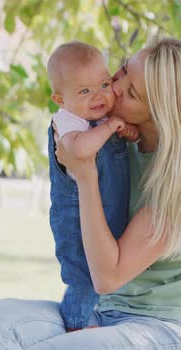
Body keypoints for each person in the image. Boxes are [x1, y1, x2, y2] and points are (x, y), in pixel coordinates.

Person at [0, 37, 181, 350]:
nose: (114, 88)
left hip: (174, 330)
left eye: (131, 92)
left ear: (162, 112)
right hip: (107, 315)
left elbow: (107, 276)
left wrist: (86, 175)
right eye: (123, 71)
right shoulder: (118, 140)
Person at [46, 40, 139, 332]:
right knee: (83, 275)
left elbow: (132, 137)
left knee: (104, 269)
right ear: (61, 100)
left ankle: (96, 319)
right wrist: (112, 126)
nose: (97, 96)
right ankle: (75, 325)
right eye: (84, 91)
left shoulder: (100, 117)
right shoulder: (68, 121)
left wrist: (128, 129)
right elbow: (79, 151)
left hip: (105, 212)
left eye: (103, 84)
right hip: (75, 219)